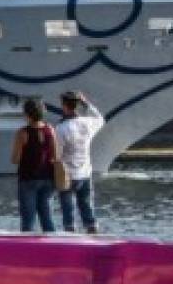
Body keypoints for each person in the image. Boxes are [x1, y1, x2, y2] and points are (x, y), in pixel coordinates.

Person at [56, 90, 104, 233]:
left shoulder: (61, 128)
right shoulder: (88, 123)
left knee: (68, 210)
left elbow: (58, 153)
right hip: (85, 172)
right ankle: (92, 231)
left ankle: (70, 233)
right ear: (77, 105)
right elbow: (100, 119)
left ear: (64, 106)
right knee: (86, 206)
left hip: (67, 173)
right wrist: (86, 103)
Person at [10, 98, 58, 232]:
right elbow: (55, 156)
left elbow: (15, 159)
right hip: (48, 178)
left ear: (27, 114)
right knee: (47, 218)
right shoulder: (50, 130)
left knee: (28, 220)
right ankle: (52, 246)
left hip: (28, 179)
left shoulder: (22, 133)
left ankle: (27, 249)